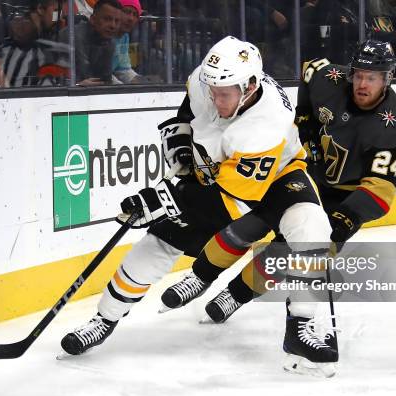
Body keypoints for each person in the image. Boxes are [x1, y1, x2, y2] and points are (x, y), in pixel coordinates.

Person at [60, 36, 335, 372]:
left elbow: (231, 201)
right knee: (157, 244)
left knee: (312, 229)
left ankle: (300, 327)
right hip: (221, 174)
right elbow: (191, 106)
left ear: (249, 87)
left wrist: (163, 200)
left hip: (276, 179)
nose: (214, 98)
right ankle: (104, 320)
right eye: (212, 90)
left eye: (224, 94)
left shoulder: (265, 125)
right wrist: (179, 134)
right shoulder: (212, 79)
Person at [160, 39, 396, 375]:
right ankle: (201, 275)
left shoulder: (391, 126)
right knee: (252, 222)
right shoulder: (330, 78)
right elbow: (309, 70)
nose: (363, 84)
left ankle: (236, 294)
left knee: (295, 251)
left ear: (388, 79)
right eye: (359, 75)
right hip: (303, 173)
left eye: (373, 77)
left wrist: (346, 217)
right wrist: (304, 119)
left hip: (343, 197)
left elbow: (380, 190)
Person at [1, 0, 69, 87]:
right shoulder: (25, 33)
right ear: (40, 9)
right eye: (57, 11)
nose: (60, 16)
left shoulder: (44, 34)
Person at [59, 0, 120, 86]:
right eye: (107, 19)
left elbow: (105, 80)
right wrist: (79, 85)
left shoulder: (110, 42)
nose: (113, 26)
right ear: (93, 19)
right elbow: (83, 79)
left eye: (117, 21)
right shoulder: (74, 37)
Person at [111, 0, 142, 84]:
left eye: (135, 15)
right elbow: (101, 74)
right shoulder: (104, 34)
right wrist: (122, 89)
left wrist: (143, 83)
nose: (131, 18)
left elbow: (123, 69)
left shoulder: (124, 37)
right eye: (126, 12)